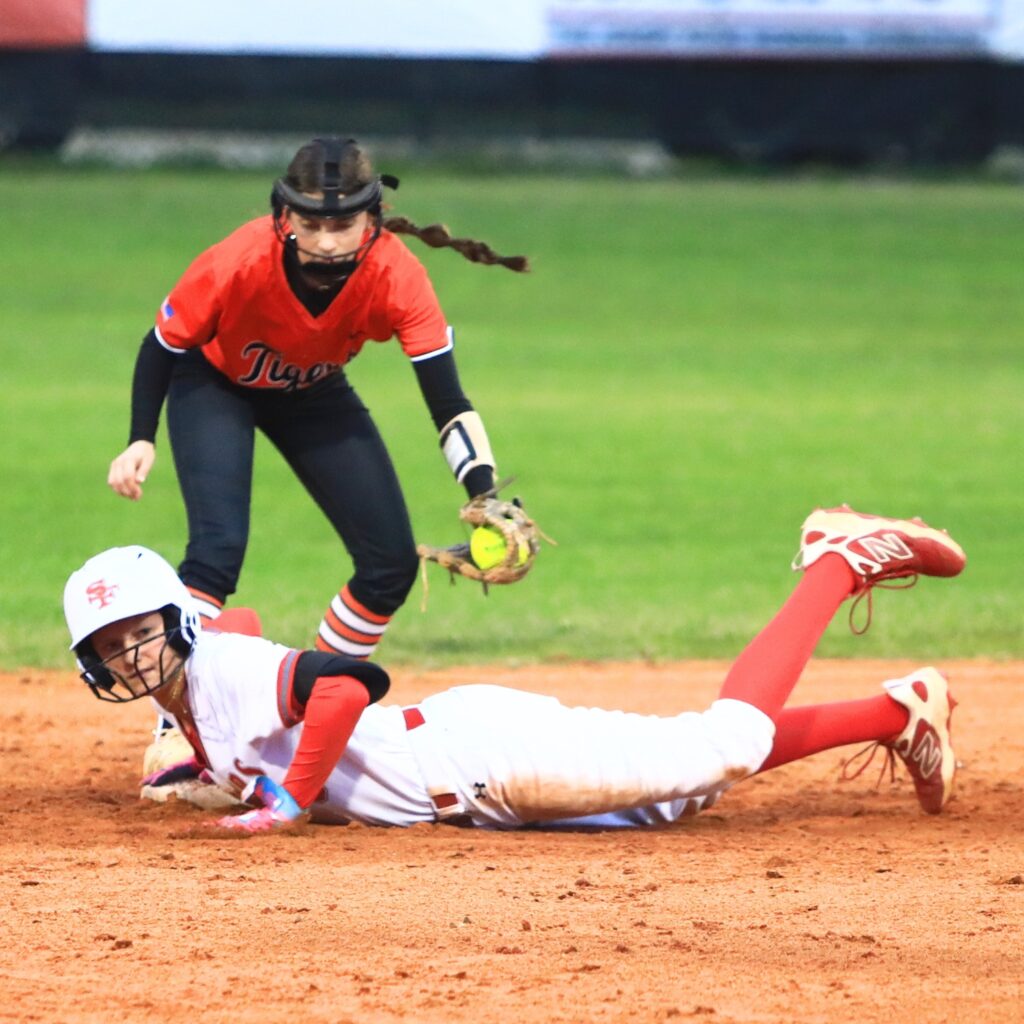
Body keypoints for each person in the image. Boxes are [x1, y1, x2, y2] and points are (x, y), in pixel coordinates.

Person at [62, 506, 966, 834]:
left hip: (484, 756)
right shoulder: (200, 688)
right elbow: (244, 631)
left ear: (179, 620)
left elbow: (345, 685)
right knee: (681, 795)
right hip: (478, 785)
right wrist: (196, 758)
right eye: (106, 648)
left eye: (136, 631)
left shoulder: (217, 673)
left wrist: (290, 799)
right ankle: (898, 714)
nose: (124, 655)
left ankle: (838, 558)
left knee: (721, 748)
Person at [106, 136, 529, 661]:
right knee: (217, 551)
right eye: (310, 225)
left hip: (312, 391)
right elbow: (162, 344)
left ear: (372, 220)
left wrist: (482, 491)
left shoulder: (398, 277)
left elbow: (447, 401)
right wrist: (139, 437)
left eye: (343, 225)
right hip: (213, 383)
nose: (327, 242)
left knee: (391, 564)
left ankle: (316, 696)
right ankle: (178, 723)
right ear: (284, 217)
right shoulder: (237, 260)